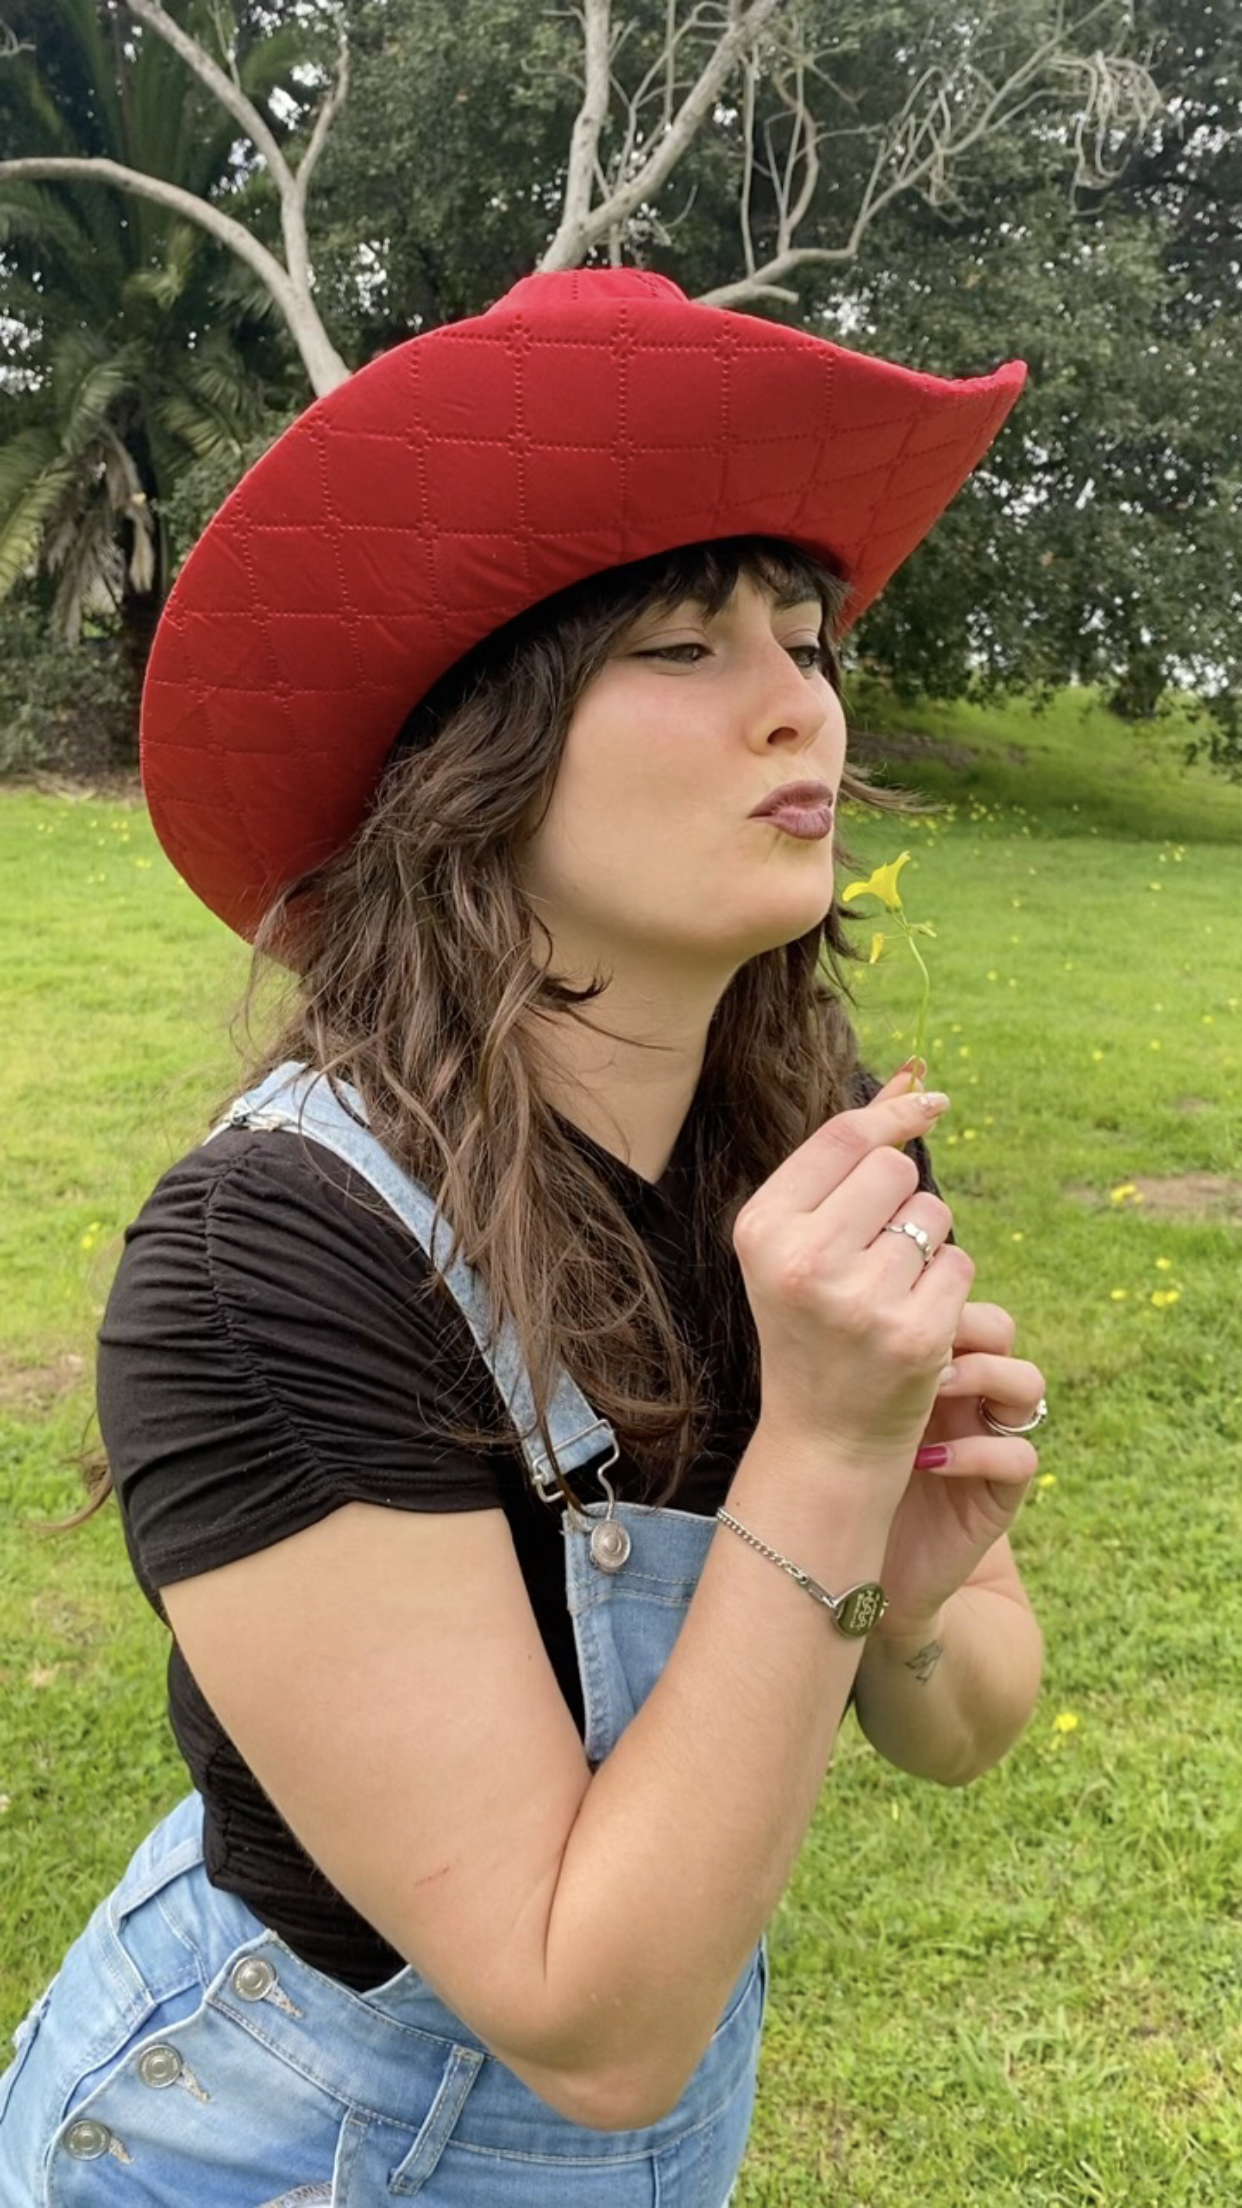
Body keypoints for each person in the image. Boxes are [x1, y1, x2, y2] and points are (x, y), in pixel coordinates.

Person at [0, 268, 1047, 2206]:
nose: (795, 697)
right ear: (482, 754)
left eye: (807, 638)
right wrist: (816, 1463)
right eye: (683, 645)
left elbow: (973, 1712)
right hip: (266, 2145)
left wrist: (897, 1582)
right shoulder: (275, 1257)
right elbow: (589, 2015)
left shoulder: (810, 1172)